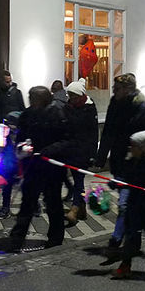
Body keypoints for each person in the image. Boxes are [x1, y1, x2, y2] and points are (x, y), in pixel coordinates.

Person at [4, 86, 72, 250]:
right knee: (27, 203)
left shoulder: (57, 114)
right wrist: (21, 147)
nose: (30, 99)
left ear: (42, 99)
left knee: (53, 203)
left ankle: (55, 237)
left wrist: (48, 151)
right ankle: (17, 238)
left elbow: (66, 140)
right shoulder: (28, 114)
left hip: (52, 167)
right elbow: (20, 135)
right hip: (32, 165)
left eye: (32, 97)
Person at [95, 73, 145, 257]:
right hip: (119, 161)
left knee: (125, 204)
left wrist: (141, 154)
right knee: (127, 203)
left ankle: (117, 238)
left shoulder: (141, 107)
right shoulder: (114, 103)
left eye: (117, 88)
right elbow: (108, 132)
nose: (114, 91)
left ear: (128, 89)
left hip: (136, 164)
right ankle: (131, 238)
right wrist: (101, 157)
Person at [111, 131, 145, 280]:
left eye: (134, 146)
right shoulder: (133, 160)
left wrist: (128, 181)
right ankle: (126, 265)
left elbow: (142, 180)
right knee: (131, 235)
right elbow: (129, 177)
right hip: (135, 204)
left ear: (143, 147)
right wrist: (118, 181)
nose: (131, 148)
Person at [63, 78, 98, 226]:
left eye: (73, 96)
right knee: (78, 181)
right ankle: (81, 208)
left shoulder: (89, 108)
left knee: (78, 180)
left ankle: (75, 209)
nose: (71, 98)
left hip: (83, 151)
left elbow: (93, 133)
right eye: (69, 95)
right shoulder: (68, 107)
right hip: (70, 149)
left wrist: (92, 154)